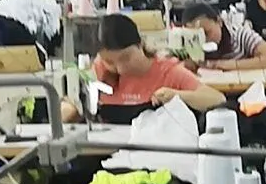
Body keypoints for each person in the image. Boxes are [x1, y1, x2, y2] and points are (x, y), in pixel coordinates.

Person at [64, 14, 226, 123]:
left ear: (140, 44)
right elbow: (71, 102)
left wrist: (177, 96)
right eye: (110, 62)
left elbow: (217, 99)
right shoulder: (99, 71)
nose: (120, 69)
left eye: (126, 58)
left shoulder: (167, 72)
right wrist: (71, 109)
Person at [181, 2, 266, 71]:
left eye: (207, 33)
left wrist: (223, 65)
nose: (204, 40)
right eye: (195, 37)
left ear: (219, 22)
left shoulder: (240, 34)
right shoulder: (185, 45)